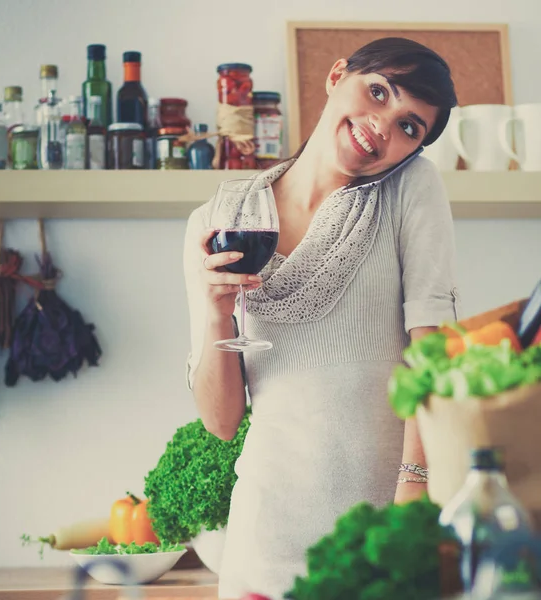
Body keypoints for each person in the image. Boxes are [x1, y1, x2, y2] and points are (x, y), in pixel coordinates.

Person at [183, 37, 460, 600]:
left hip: (378, 545)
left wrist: (412, 503)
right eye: (378, 91)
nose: (383, 125)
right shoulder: (215, 221)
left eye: (410, 127)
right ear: (338, 75)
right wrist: (215, 316)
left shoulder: (411, 189)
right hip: (261, 548)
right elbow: (221, 421)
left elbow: (432, 348)